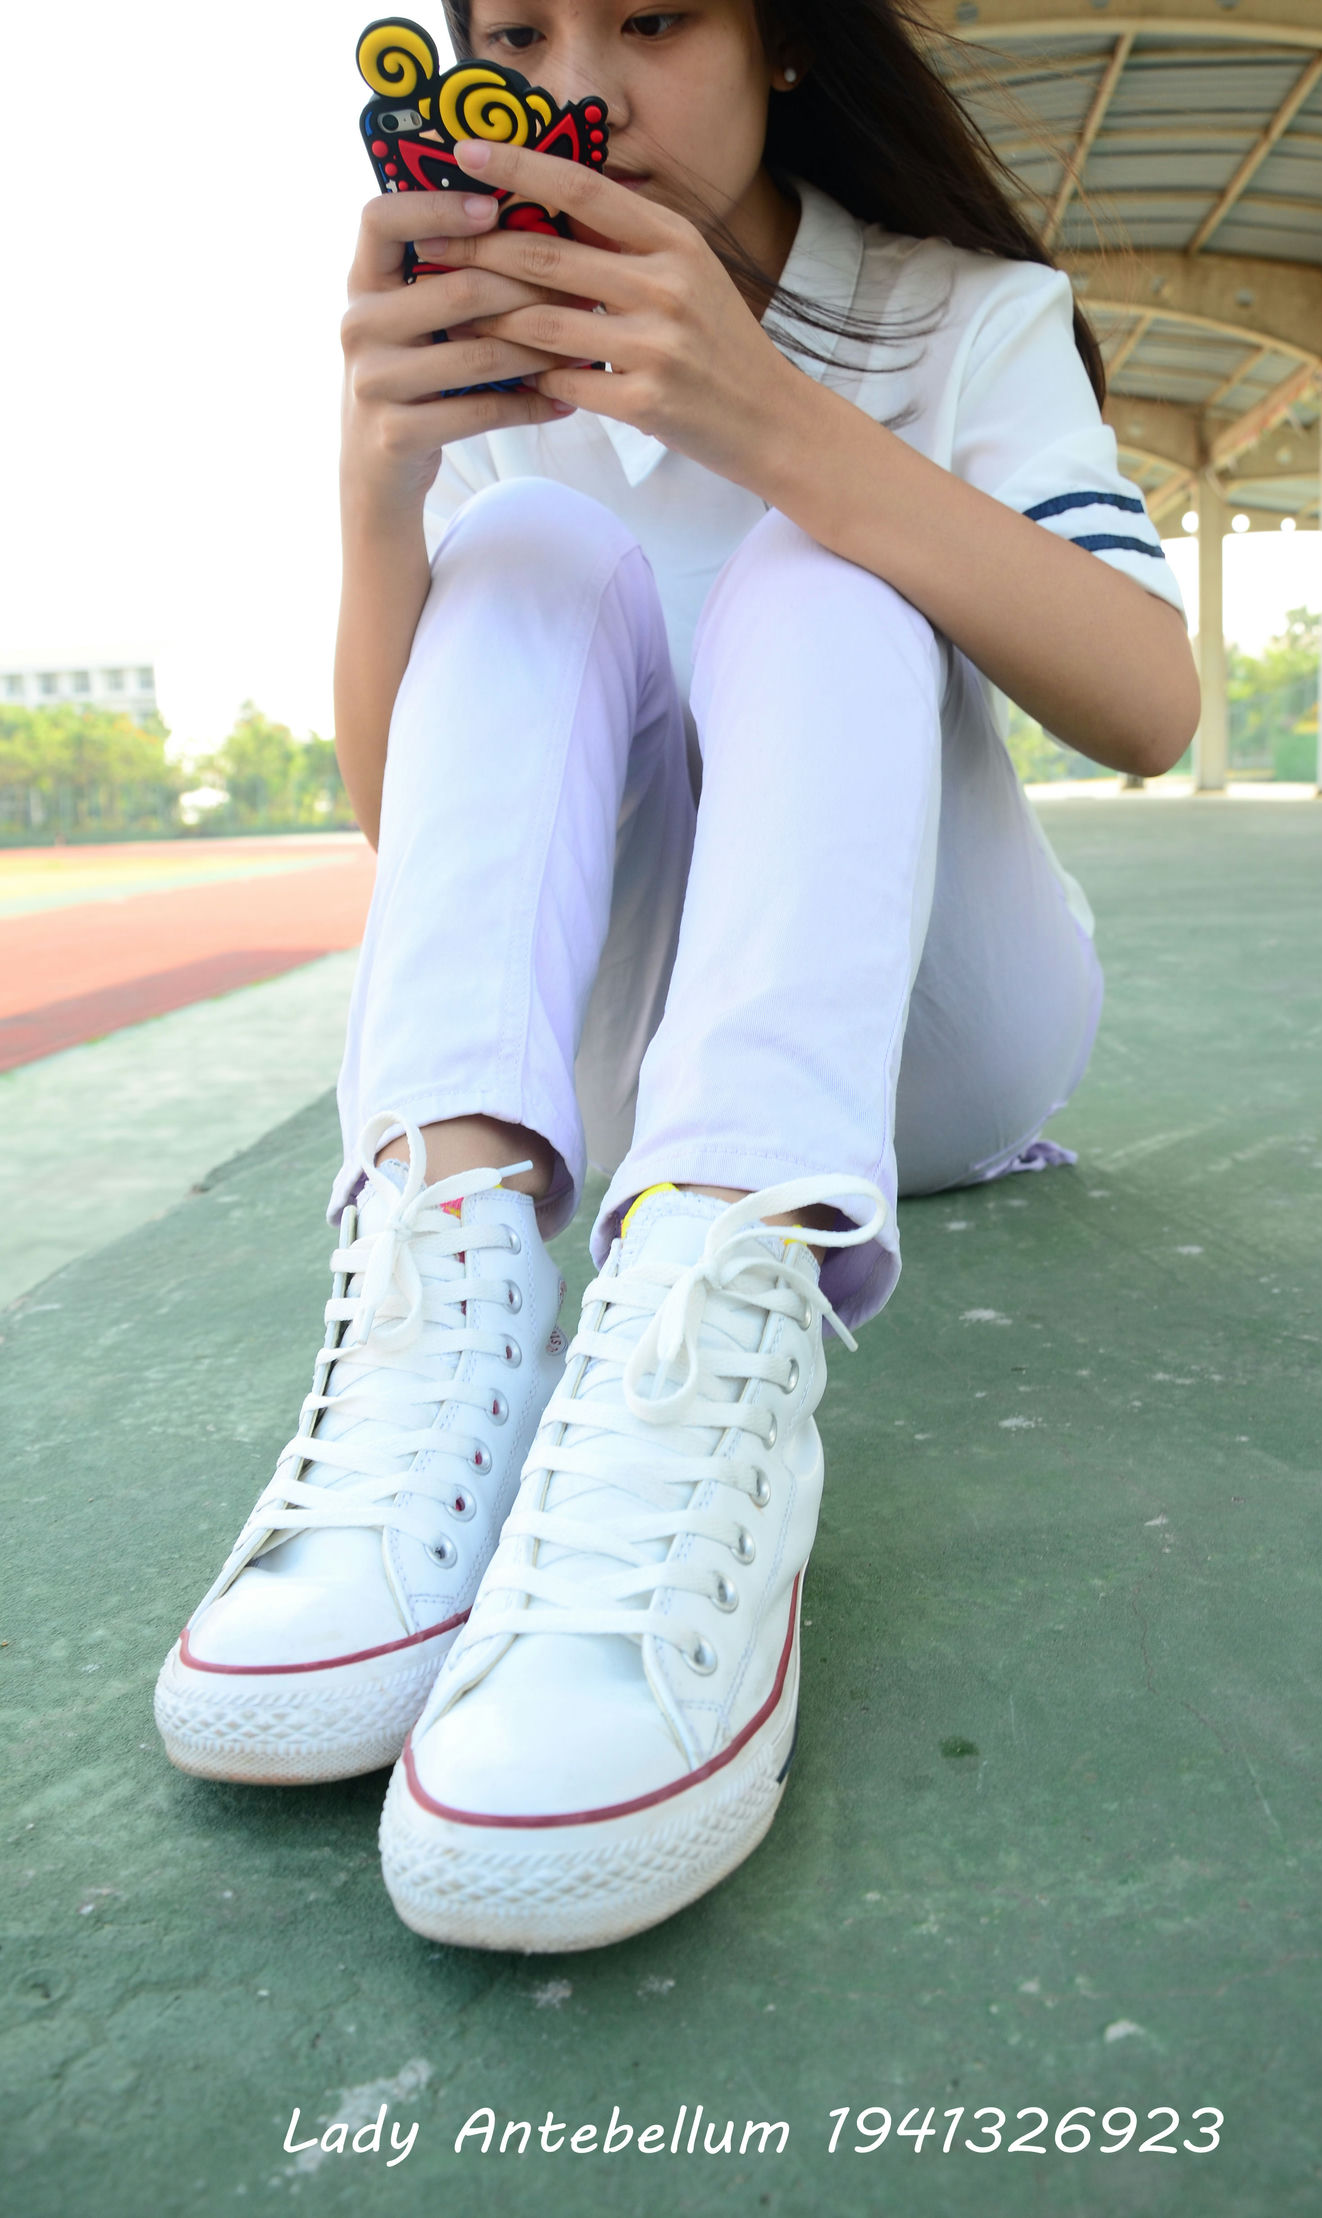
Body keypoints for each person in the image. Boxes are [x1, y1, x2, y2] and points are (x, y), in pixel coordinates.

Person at [154, 0, 1198, 1956]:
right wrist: (378, 481)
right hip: (618, 1063)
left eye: (648, 17)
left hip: (942, 1025)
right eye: (520, 29)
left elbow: (1148, 704)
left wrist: (768, 415)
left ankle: (711, 1352)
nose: (576, 86)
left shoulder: (959, 310)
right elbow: (420, 837)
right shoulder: (494, 350)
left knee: (826, 567)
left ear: (780, 40)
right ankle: (441, 1335)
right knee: (528, 548)